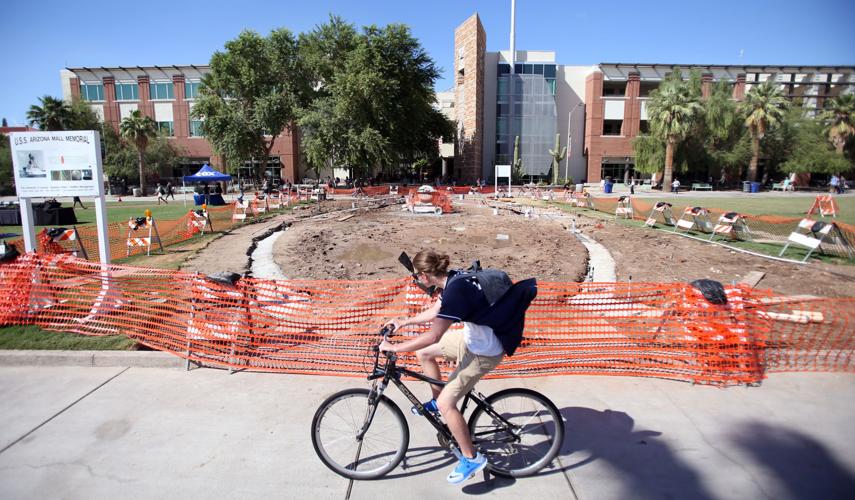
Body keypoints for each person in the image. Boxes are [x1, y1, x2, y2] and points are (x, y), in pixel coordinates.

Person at [379, 250, 537, 484]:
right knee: (424, 354)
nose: (416, 280)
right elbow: (436, 312)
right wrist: (404, 321)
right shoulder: (454, 278)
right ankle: (437, 402)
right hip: (471, 338)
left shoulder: (455, 291)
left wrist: (394, 349)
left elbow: (434, 335)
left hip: (485, 351)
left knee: (447, 404)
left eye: (416, 276)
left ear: (424, 275)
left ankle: (471, 458)